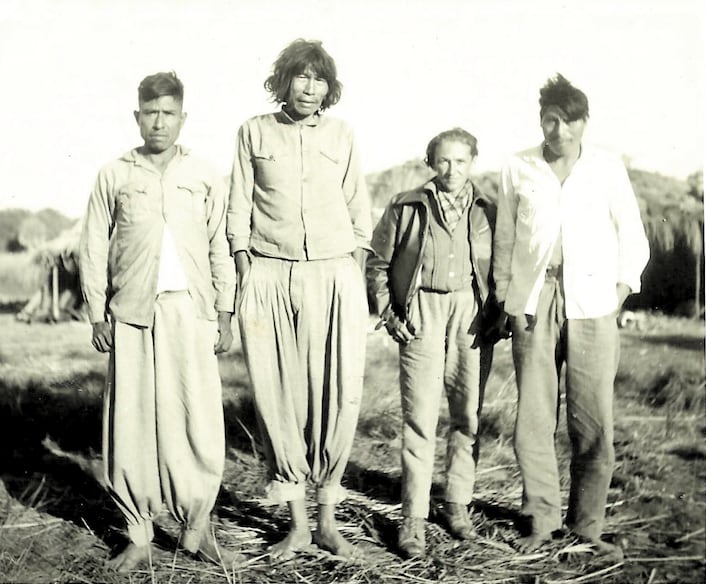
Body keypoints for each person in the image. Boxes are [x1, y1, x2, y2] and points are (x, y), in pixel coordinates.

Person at [79, 71, 238, 572]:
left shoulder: (206, 174)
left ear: (183, 118)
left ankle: (197, 527)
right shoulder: (115, 175)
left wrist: (225, 313)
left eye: (169, 114)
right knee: (129, 423)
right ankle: (139, 532)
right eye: (151, 113)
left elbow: (220, 246)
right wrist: (96, 310)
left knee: (198, 422)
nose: (160, 123)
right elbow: (92, 247)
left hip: (190, 311)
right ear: (137, 116)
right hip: (129, 313)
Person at [492, 73, 649, 555]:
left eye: (568, 120)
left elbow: (632, 235)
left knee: (593, 421)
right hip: (535, 302)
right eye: (549, 120)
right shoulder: (518, 167)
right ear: (541, 121)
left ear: (584, 123)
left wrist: (620, 290)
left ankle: (587, 528)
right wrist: (509, 300)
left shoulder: (606, 168)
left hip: (593, 304)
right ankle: (540, 519)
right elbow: (505, 240)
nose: (557, 130)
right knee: (534, 419)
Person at [227, 39, 371, 561]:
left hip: (333, 275)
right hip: (269, 274)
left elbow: (359, 206)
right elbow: (237, 207)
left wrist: (352, 269)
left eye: (319, 80)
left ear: (329, 88)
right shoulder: (253, 132)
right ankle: (298, 526)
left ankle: (329, 522)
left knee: (336, 396)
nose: (310, 88)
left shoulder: (342, 134)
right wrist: (247, 269)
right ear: (283, 81)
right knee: (278, 399)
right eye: (300, 77)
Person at [367, 128, 501, 558]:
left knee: (467, 415)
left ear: (473, 162)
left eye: (461, 161)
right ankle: (413, 518)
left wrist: (496, 313)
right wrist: (390, 311)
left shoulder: (488, 211)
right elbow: (378, 262)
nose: (452, 170)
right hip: (422, 308)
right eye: (443, 161)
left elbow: (502, 265)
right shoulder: (406, 205)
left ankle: (457, 504)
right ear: (431, 163)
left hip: (470, 314)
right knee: (420, 418)